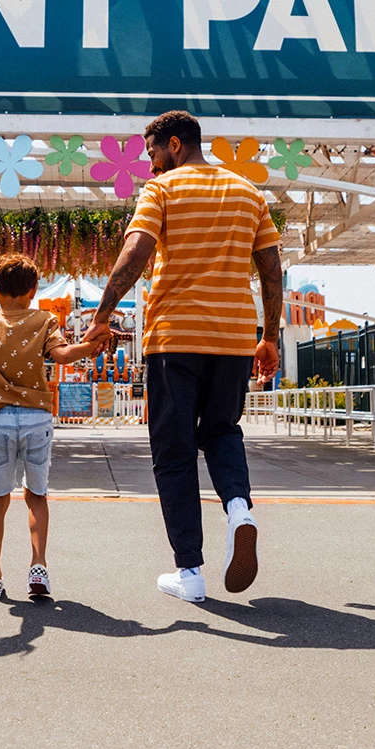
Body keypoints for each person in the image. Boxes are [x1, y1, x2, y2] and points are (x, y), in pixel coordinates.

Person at [86, 111, 282, 604]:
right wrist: (270, 338)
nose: (150, 165)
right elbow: (272, 270)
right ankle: (240, 511)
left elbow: (135, 254)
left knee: (173, 454)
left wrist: (103, 315)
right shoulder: (248, 193)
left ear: (175, 144)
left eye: (152, 152)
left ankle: (189, 573)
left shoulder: (163, 191)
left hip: (175, 339)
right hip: (235, 338)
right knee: (222, 431)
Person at [0, 254, 105, 601]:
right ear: (34, 289)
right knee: (36, 496)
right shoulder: (44, 320)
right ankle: (38, 566)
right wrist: (91, 345)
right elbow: (64, 356)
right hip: (37, 419)